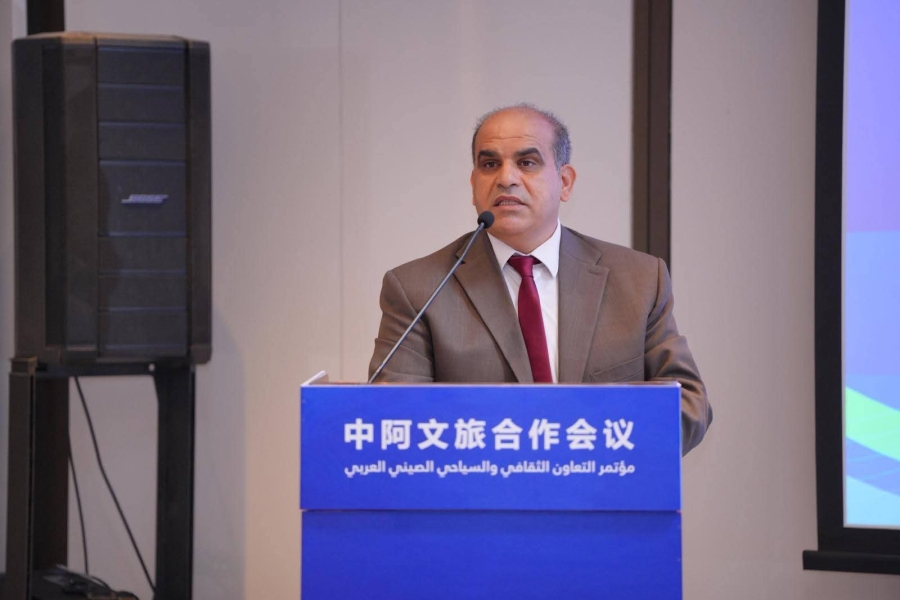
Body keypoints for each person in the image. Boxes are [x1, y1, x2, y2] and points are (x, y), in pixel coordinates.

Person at [367, 104, 711, 454]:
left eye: (527, 163)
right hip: (480, 487)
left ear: (565, 182)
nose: (506, 178)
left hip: (599, 485)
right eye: (490, 165)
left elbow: (688, 406)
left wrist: (582, 447)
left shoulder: (638, 280)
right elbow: (394, 419)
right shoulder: (419, 288)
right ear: (473, 186)